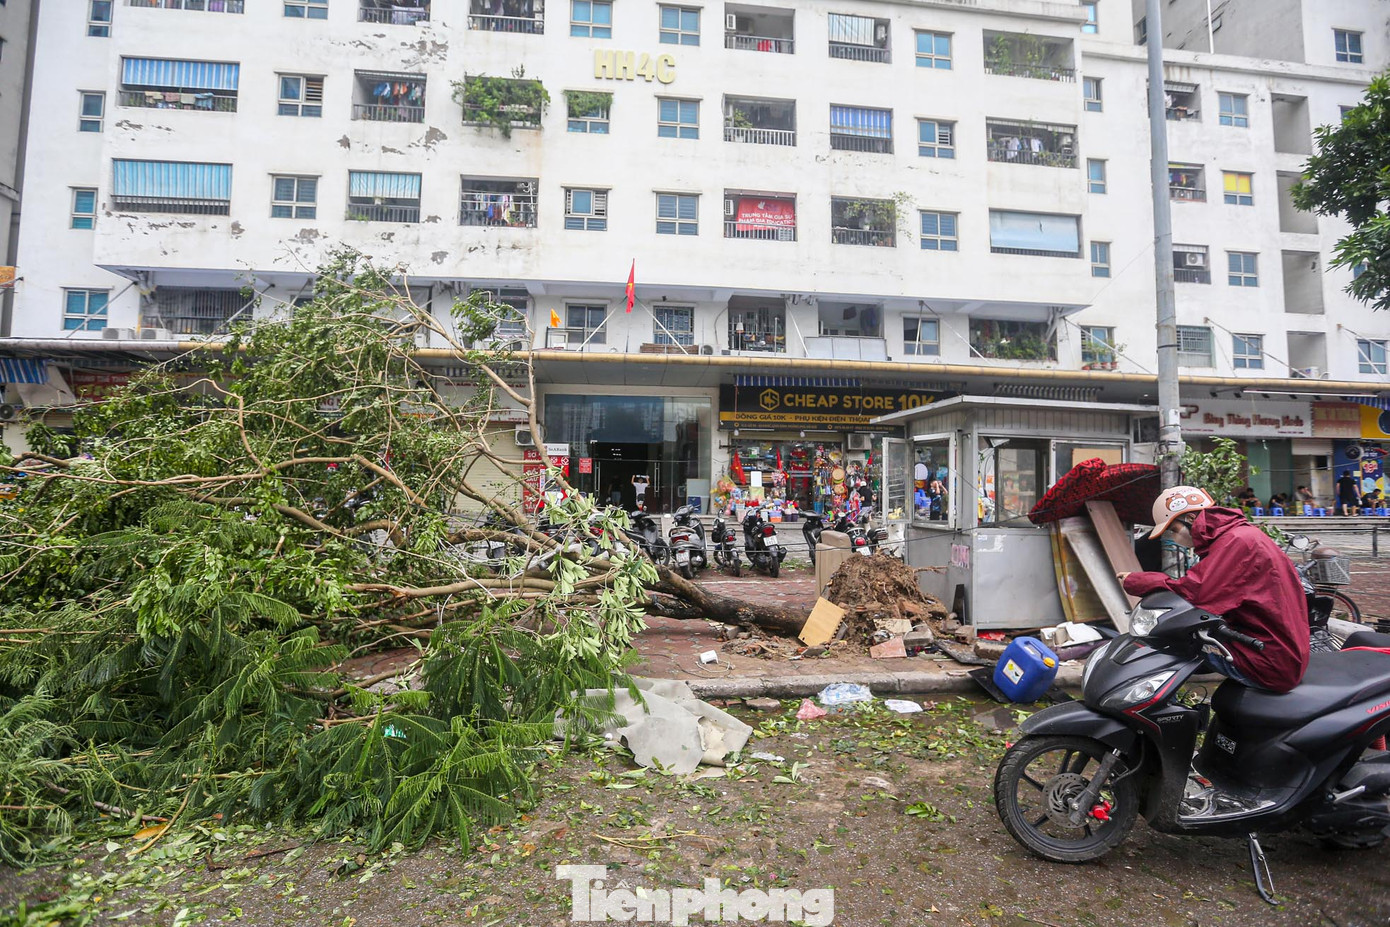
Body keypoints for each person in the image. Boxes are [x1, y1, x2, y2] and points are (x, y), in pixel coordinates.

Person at [1118, 486, 1309, 693]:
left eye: (1174, 530)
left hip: (1267, 659)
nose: (1174, 538)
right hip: (1269, 649)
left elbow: (1196, 591)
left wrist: (1136, 581)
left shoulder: (1236, 542)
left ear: (1190, 518)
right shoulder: (1237, 536)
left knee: (1166, 651)